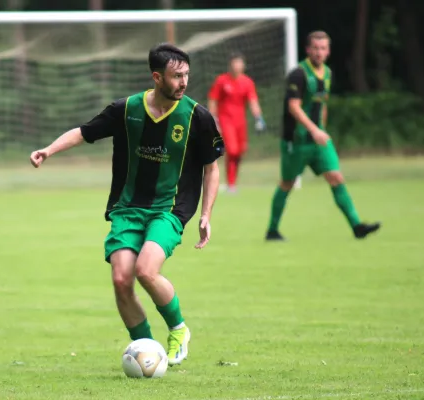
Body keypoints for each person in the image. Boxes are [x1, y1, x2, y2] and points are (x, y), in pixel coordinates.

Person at [30, 43, 224, 366]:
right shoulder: (126, 109)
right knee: (122, 280)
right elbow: (84, 132)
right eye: (177, 76)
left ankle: (179, 329)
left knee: (146, 270)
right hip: (127, 208)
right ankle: (146, 350)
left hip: (169, 209)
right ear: (156, 77)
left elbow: (211, 167)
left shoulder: (197, 117)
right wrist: (48, 151)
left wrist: (206, 214)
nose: (184, 82)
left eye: (187, 75)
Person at [266, 31, 380, 241]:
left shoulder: (327, 73)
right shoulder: (298, 74)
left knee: (336, 177)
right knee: (287, 183)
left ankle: (357, 226)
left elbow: (322, 104)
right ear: (308, 50)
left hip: (318, 140)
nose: (319, 52)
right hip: (297, 141)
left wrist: (322, 129)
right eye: (315, 48)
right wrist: (314, 130)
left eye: (323, 48)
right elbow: (294, 107)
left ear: (328, 51)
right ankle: (272, 230)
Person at [208, 52, 266, 193]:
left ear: (243, 65)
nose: (237, 66)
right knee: (232, 150)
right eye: (234, 63)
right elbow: (213, 100)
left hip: (240, 122)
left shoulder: (247, 82)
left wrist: (259, 118)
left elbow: (253, 101)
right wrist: (213, 119)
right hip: (225, 120)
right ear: (230, 65)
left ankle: (232, 183)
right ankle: (231, 184)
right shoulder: (222, 80)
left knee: (240, 151)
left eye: (239, 63)